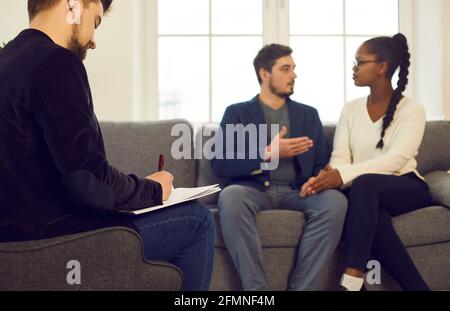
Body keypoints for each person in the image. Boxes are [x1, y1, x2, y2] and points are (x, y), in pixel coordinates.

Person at [0, 0, 214, 291]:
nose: (94, 41)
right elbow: (88, 182)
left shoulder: (8, 59)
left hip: (14, 238)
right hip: (51, 241)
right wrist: (154, 190)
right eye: (96, 22)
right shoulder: (57, 62)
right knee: (197, 219)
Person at [211, 44, 348, 291]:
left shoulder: (308, 115)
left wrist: (317, 179)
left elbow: (321, 162)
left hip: (298, 192)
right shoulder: (237, 113)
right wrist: (266, 155)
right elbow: (221, 163)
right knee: (231, 196)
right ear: (265, 74)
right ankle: (257, 291)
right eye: (285, 69)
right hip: (252, 190)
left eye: (293, 69)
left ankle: (302, 288)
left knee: (335, 202)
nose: (293, 74)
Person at [301, 33, 431, 291]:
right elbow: (341, 156)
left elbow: (396, 160)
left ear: (382, 67)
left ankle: (352, 277)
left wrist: (342, 175)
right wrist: (329, 174)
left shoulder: (412, 110)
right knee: (373, 215)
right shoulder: (350, 109)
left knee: (363, 185)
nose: (354, 68)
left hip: (405, 187)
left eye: (360, 62)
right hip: (366, 195)